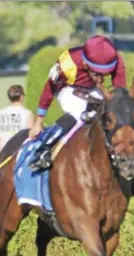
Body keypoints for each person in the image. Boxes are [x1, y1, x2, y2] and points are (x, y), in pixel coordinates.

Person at [28, 35, 126, 169]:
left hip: (92, 89)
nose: (101, 78)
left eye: (105, 74)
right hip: (68, 89)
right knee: (80, 113)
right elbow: (49, 89)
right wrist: (38, 122)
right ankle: (43, 150)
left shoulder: (116, 60)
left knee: (108, 112)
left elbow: (119, 93)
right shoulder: (66, 65)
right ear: (85, 64)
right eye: (97, 73)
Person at [0, 85, 34, 152]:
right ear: (21, 97)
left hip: (4, 152)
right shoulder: (28, 113)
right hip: (20, 152)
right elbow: (31, 136)